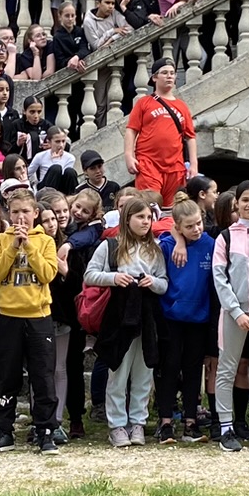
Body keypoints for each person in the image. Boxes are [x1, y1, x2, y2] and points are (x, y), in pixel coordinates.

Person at [85, 191, 169, 446]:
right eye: (140, 217)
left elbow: (164, 282)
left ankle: (138, 422)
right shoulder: (110, 246)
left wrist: (152, 282)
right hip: (119, 315)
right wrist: (114, 278)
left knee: (143, 372)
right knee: (118, 371)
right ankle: (117, 424)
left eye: (148, 217)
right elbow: (90, 274)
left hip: (146, 315)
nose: (145, 222)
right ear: (127, 218)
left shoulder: (154, 249)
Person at [0, 184, 60, 453]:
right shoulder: (1, 240)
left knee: (43, 377)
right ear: (8, 213)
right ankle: (4, 432)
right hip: (9, 316)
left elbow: (48, 274)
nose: (20, 217)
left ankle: (45, 431)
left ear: (35, 213)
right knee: (7, 377)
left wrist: (28, 245)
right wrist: (12, 247)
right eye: (15, 212)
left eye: (26, 212)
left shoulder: (46, 241)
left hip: (39, 317)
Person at [153, 195, 216, 444]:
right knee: (169, 367)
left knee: (193, 369)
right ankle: (166, 421)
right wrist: (178, 241)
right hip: (171, 316)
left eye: (198, 223)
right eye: (189, 226)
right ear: (178, 227)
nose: (196, 229)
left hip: (199, 318)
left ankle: (191, 421)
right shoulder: (167, 245)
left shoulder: (210, 244)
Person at [123, 62, 198, 205]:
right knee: (149, 205)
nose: (169, 76)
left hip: (175, 166)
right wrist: (129, 155)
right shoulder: (144, 102)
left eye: (172, 73)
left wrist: (194, 165)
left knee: (172, 209)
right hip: (148, 163)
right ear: (154, 77)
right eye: (164, 73)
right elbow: (131, 130)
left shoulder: (182, 106)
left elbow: (190, 137)